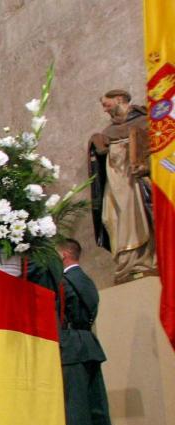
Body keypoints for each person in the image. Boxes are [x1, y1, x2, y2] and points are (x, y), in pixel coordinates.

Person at [58, 238, 116, 425]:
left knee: (76, 403)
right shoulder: (87, 280)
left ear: (63, 255)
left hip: (71, 343)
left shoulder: (65, 281)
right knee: (97, 403)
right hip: (89, 342)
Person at [88, 88, 156, 283]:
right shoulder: (109, 131)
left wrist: (146, 166)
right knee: (112, 218)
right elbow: (102, 156)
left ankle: (144, 261)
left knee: (139, 217)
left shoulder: (144, 120)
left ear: (119, 99)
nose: (104, 110)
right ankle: (126, 263)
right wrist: (97, 146)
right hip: (117, 184)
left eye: (106, 104)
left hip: (135, 182)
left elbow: (159, 149)